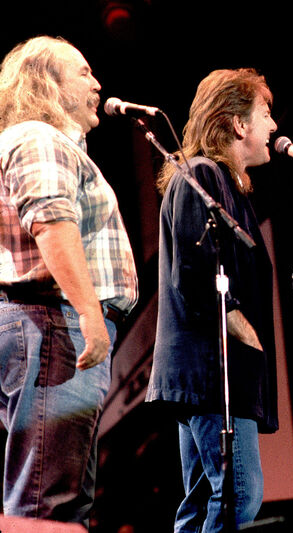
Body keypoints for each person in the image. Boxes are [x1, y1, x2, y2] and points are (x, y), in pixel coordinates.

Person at [0, 36, 139, 526]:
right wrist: (89, 313)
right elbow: (51, 223)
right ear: (46, 82)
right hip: (55, 324)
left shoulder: (39, 141)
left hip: (50, 326)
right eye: (82, 72)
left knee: (53, 493)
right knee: (48, 500)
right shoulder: (40, 137)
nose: (97, 82)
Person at [145, 68, 279, 531]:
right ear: (238, 124)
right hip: (211, 369)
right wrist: (243, 328)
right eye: (265, 114)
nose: (273, 127)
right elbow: (195, 270)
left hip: (212, 370)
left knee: (203, 501)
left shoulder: (227, 188)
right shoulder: (201, 175)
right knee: (240, 494)